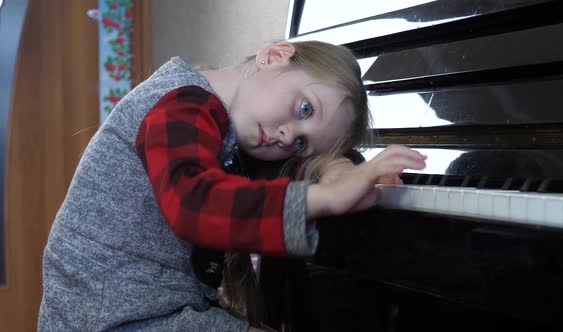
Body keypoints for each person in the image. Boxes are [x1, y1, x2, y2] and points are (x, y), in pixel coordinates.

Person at [38, 40, 426, 331]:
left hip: (135, 309)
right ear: (274, 56)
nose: (287, 135)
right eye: (304, 108)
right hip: (108, 316)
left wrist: (338, 168)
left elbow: (274, 177)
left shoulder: (227, 123)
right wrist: (324, 197)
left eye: (303, 143)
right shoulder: (181, 103)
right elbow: (194, 204)